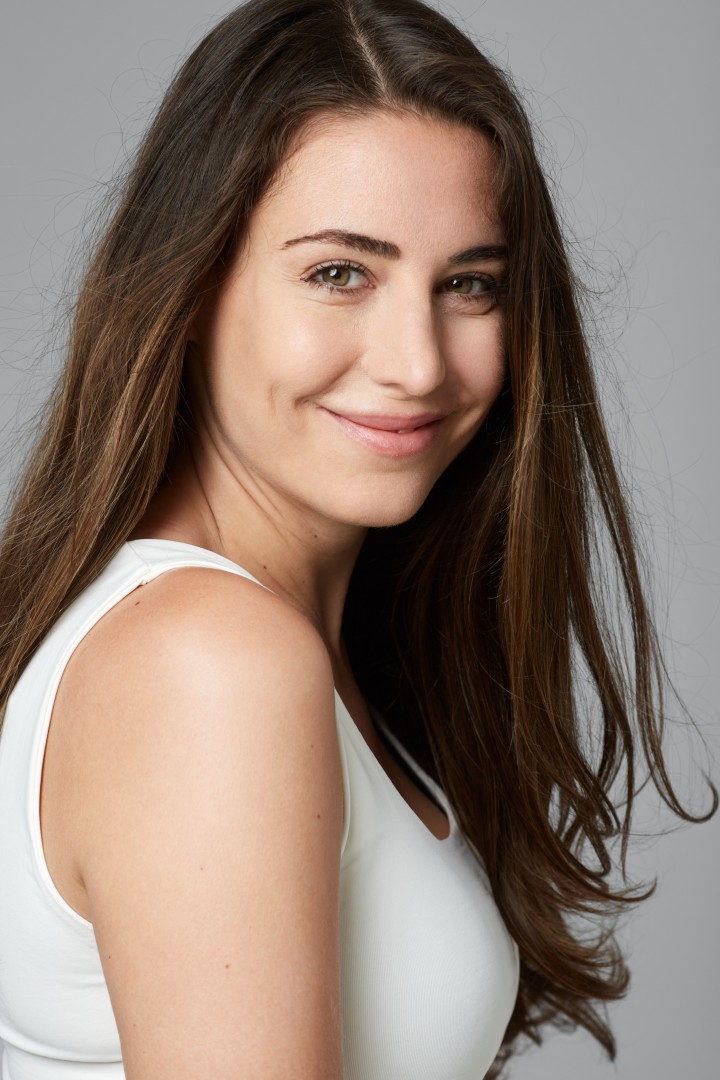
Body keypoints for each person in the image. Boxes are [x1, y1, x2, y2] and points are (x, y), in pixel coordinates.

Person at [0, 0, 715, 1076]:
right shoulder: (210, 664)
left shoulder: (288, 645)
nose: (418, 363)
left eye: (469, 285)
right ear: (190, 285)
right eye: (340, 273)